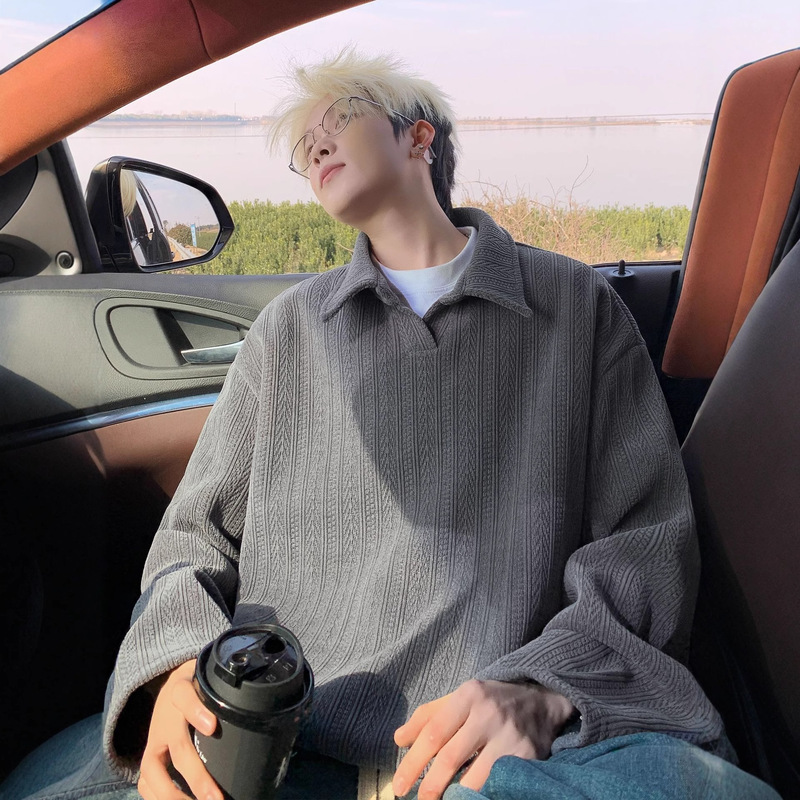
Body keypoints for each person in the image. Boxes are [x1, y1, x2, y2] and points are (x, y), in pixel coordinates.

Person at [1, 50, 780, 800]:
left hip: (496, 750)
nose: (315, 146)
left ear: (419, 136)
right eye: (302, 145)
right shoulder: (288, 332)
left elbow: (644, 544)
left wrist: (541, 689)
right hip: (281, 743)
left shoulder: (576, 309)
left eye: (338, 118)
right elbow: (192, 538)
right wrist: (179, 671)